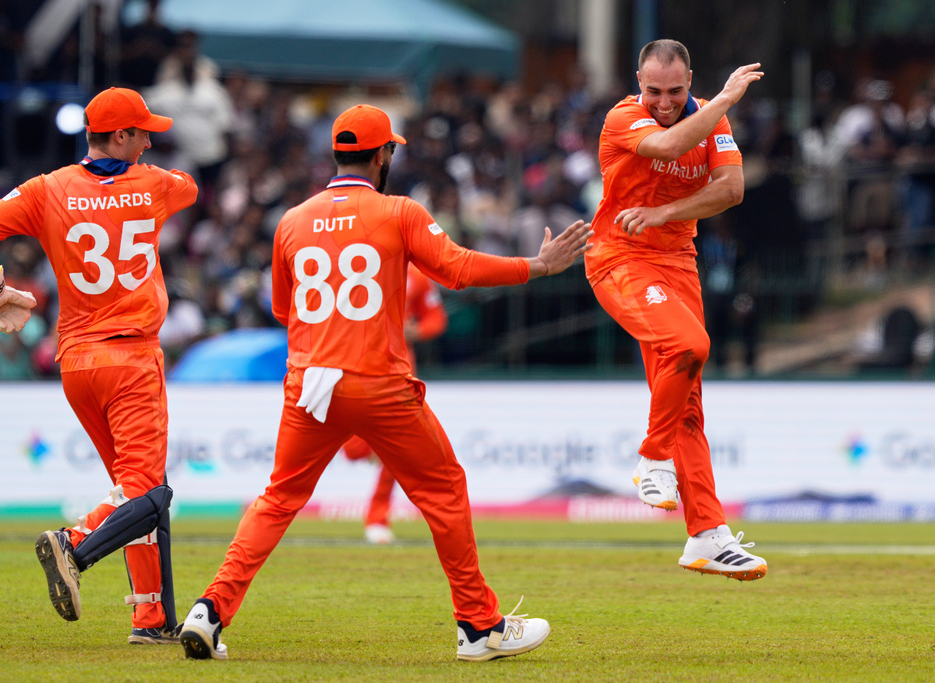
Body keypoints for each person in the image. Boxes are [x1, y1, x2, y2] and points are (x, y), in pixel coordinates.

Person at [178, 103, 592, 662]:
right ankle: (478, 626)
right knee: (443, 492)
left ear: (337, 154)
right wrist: (537, 266)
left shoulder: (293, 219)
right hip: (377, 382)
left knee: (277, 500)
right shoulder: (399, 211)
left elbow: (283, 309)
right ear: (383, 155)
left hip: (309, 385)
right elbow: (460, 269)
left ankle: (210, 610)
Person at [0, 87, 198, 643]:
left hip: (76, 362)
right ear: (119, 136)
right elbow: (188, 188)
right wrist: (139, 184)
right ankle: (74, 542)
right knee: (147, 493)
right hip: (133, 356)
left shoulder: (48, 189)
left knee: (135, 491)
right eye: (141, 132)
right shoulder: (155, 184)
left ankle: (152, 618)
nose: (148, 139)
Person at [584, 40, 768, 580]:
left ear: (690, 82)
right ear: (638, 82)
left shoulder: (713, 118)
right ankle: (652, 458)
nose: (663, 101)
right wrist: (722, 102)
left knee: (689, 403)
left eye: (675, 91)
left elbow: (731, 189)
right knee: (690, 346)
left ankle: (707, 536)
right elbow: (667, 146)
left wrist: (665, 211)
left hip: (677, 262)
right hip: (620, 258)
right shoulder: (624, 116)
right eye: (653, 90)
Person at [341, 262, 449, 544]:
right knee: (353, 450)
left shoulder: (417, 277)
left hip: (399, 368)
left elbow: (435, 317)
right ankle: (373, 447)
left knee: (396, 447)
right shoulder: (358, 264)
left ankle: (377, 517)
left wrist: (419, 331)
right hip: (353, 364)